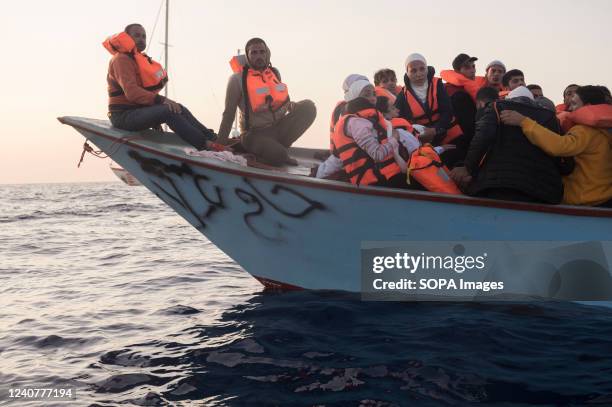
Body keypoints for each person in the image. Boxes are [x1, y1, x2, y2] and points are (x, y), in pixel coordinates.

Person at [105, 24, 219, 150]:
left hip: (135, 112)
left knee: (178, 108)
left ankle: (214, 139)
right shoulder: (121, 59)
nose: (141, 39)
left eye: (144, 36)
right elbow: (132, 92)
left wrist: (153, 116)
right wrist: (162, 100)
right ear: (127, 37)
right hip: (122, 116)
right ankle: (205, 145)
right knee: (169, 110)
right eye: (137, 35)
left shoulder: (137, 59)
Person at [500, 85, 612, 207]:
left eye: (574, 103)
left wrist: (524, 122)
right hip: (602, 198)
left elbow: (559, 146)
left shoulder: (585, 131)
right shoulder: (604, 130)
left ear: (588, 106)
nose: (570, 107)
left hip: (589, 201)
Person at [450, 86, 564, 204]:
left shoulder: (497, 107)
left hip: (499, 186)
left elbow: (483, 137)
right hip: (542, 191)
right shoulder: (551, 117)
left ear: (509, 99)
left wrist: (468, 167)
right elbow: (563, 157)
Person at [217, 37, 316, 166]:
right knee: (279, 156)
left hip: (278, 129)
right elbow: (228, 114)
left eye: (262, 52)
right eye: (254, 53)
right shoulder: (236, 80)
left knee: (309, 107)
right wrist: (218, 146)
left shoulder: (274, 73)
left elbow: (282, 101)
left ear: (267, 53)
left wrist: (293, 106)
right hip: (254, 135)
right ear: (247, 56)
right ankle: (253, 156)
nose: (259, 56)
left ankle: (278, 151)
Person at [395, 53, 466, 168]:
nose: (419, 74)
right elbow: (400, 124)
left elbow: (447, 112)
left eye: (422, 69)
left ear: (427, 69)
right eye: (413, 71)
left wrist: (435, 130)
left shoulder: (438, 85)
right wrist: (419, 135)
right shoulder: (402, 97)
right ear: (407, 73)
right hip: (426, 143)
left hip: (451, 136)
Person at [331, 80, 406, 187]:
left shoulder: (372, 119)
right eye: (367, 94)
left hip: (389, 175)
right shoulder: (356, 122)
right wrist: (394, 139)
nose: (372, 98)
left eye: (374, 94)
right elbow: (377, 154)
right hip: (377, 182)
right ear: (354, 97)